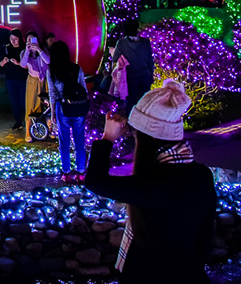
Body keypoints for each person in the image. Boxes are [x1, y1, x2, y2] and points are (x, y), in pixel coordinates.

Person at [85, 81, 217, 284]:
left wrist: (107, 138)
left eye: (136, 134)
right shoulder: (202, 174)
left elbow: (96, 182)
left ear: (145, 139)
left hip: (150, 273)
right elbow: (206, 235)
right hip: (191, 271)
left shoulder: (154, 184)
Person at [46, 41, 89, 183]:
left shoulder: (51, 70)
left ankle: (66, 172)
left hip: (62, 107)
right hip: (78, 107)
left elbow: (52, 93)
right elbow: (84, 88)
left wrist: (52, 112)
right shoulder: (76, 68)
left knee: (64, 141)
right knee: (79, 141)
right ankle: (81, 172)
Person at [111, 20, 154, 117]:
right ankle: (143, 126)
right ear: (137, 29)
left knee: (131, 102)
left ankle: (131, 126)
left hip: (131, 77)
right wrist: (151, 73)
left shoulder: (121, 43)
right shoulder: (146, 42)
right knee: (145, 102)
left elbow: (115, 58)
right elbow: (150, 59)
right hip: (145, 75)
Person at [20, 32, 50, 142]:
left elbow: (48, 61)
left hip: (44, 80)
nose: (31, 41)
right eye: (29, 39)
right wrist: (28, 51)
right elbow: (23, 64)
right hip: (33, 81)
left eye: (33, 39)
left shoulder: (42, 50)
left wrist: (39, 50)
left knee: (46, 104)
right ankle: (28, 131)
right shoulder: (24, 52)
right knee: (31, 104)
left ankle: (49, 128)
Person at [0, 29, 28, 131]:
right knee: (14, 101)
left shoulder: (24, 48)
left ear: (20, 39)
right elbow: (0, 64)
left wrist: (18, 63)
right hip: (10, 78)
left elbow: (27, 66)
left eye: (15, 39)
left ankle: (28, 122)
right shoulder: (7, 49)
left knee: (23, 101)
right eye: (11, 39)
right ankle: (18, 122)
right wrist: (3, 62)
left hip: (22, 78)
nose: (13, 41)